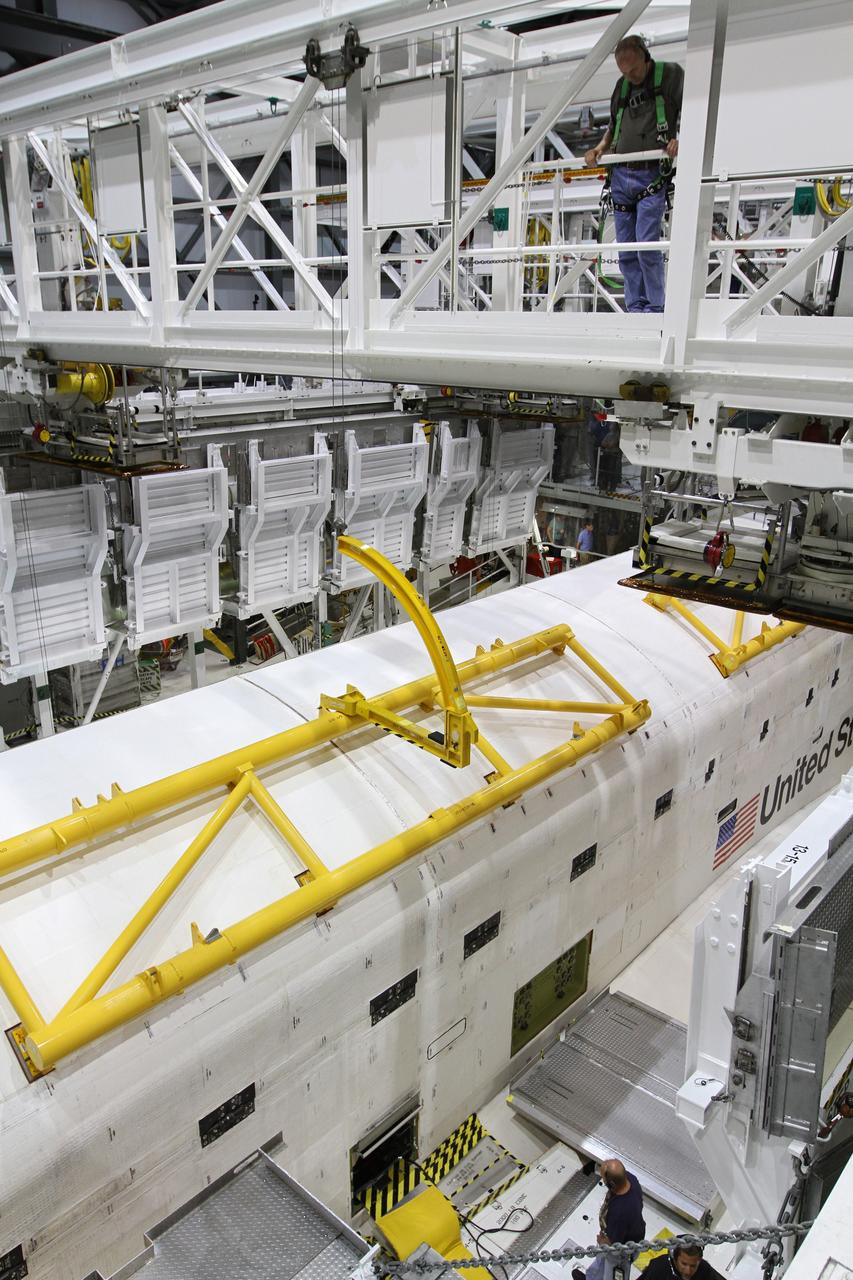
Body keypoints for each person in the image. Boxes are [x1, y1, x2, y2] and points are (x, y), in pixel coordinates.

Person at [584, 35, 683, 313]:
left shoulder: (671, 76)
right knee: (627, 249)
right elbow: (614, 124)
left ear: (645, 56)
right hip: (620, 177)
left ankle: (655, 306)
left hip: (651, 176)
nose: (631, 76)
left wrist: (680, 138)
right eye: (624, 71)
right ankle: (635, 305)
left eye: (634, 69)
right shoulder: (622, 87)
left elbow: (697, 109)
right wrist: (600, 148)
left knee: (646, 245)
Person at [572, 1159, 645, 1280]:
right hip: (635, 1234)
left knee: (608, 1269)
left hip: (620, 1249)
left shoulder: (619, 1213)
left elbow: (614, 1246)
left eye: (604, 1179)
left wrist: (604, 1243)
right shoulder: (631, 1179)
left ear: (612, 1185)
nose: (603, 1181)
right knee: (600, 1265)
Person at [644, 1243, 725, 1279]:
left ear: (699, 1261)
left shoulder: (705, 1270)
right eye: (684, 1264)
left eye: (693, 1266)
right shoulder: (659, 1267)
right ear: (675, 1259)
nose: (688, 1271)